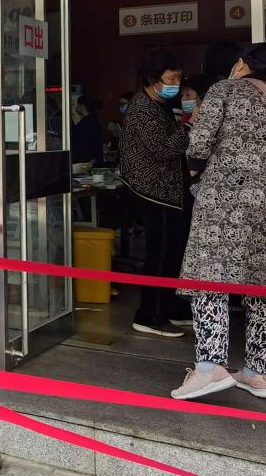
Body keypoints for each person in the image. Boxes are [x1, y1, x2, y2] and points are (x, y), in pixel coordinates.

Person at [171, 43, 266, 401]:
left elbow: (199, 143)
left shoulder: (223, 90)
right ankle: (257, 373)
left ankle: (210, 367)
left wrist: (199, 174)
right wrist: (265, 177)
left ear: (243, 64)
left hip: (222, 200)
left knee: (209, 275)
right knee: (263, 283)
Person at [118, 48, 191, 338]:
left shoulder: (160, 103)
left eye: (179, 77)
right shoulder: (141, 109)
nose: (176, 82)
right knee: (159, 253)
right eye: (171, 78)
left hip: (168, 190)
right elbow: (163, 149)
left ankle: (169, 307)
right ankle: (149, 314)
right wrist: (191, 124)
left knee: (173, 251)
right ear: (153, 79)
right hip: (152, 191)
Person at [71, 94, 104, 165]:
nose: (76, 107)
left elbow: (84, 145)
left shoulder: (86, 123)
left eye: (78, 104)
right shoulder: (93, 121)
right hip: (89, 161)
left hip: (86, 162)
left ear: (82, 106)